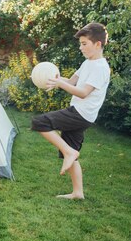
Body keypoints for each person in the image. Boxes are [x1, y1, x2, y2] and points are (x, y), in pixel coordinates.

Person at [30, 22, 111, 200]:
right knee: (72, 149)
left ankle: (69, 152)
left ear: (98, 44)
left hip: (81, 113)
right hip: (80, 112)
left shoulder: (100, 68)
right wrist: (53, 79)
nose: (81, 48)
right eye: (80, 44)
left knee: (40, 122)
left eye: (84, 44)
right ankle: (78, 193)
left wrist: (60, 84)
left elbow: (83, 93)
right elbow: (72, 82)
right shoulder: (88, 63)